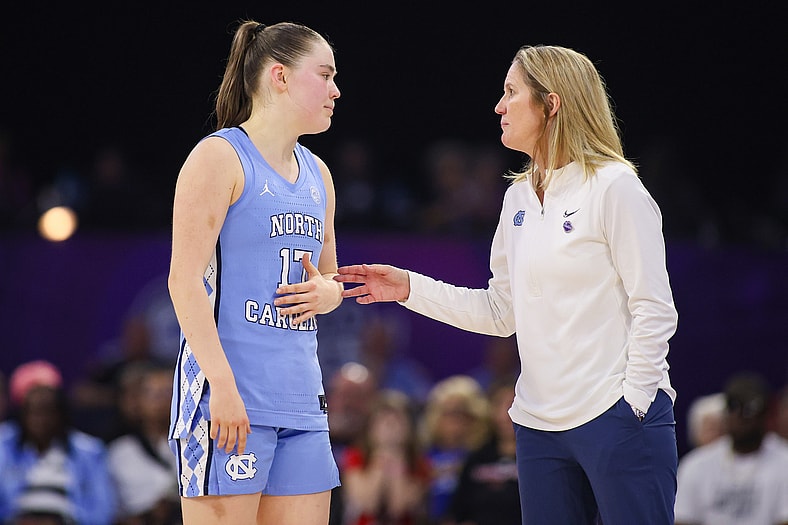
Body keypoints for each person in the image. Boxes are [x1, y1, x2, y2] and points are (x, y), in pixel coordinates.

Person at [335, 44, 679, 524]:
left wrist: (634, 403)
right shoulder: (516, 196)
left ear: (551, 104)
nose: (499, 106)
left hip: (616, 416)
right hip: (538, 426)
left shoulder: (615, 187)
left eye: (511, 92)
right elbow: (501, 314)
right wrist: (409, 288)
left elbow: (655, 308)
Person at [167, 19, 343, 525]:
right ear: (280, 76)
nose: (336, 89)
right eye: (325, 75)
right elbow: (183, 281)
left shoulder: (319, 174)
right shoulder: (219, 156)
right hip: (230, 397)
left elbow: (329, 276)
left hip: (302, 404)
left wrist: (329, 294)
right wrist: (220, 387)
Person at [0, 363, 117, 525]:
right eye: (33, 412)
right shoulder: (4, 447)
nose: (40, 420)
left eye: (47, 411)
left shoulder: (90, 451)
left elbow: (102, 512)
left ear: (61, 414)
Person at [674, 371, 788, 525]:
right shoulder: (696, 465)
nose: (741, 419)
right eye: (734, 408)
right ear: (725, 414)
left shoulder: (784, 462)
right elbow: (683, 519)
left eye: (750, 411)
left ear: (765, 415)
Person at [340, 389, 430, 525]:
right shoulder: (355, 457)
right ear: (370, 427)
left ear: (409, 428)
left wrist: (397, 459)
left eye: (396, 422)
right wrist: (380, 459)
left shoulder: (420, 463)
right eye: (384, 422)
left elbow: (398, 509)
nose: (389, 428)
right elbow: (368, 505)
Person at [108, 362, 181, 525]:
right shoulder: (120, 452)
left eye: (167, 393)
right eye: (153, 394)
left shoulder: (194, 446)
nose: (161, 401)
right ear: (138, 401)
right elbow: (112, 509)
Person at [444, 380, 521, 525]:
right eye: (500, 404)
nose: (507, 414)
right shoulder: (476, 458)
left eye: (512, 403)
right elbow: (456, 512)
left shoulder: (537, 460)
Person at [419, 375, 490, 523]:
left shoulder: (483, 456)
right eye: (448, 413)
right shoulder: (423, 454)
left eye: (461, 413)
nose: (455, 421)